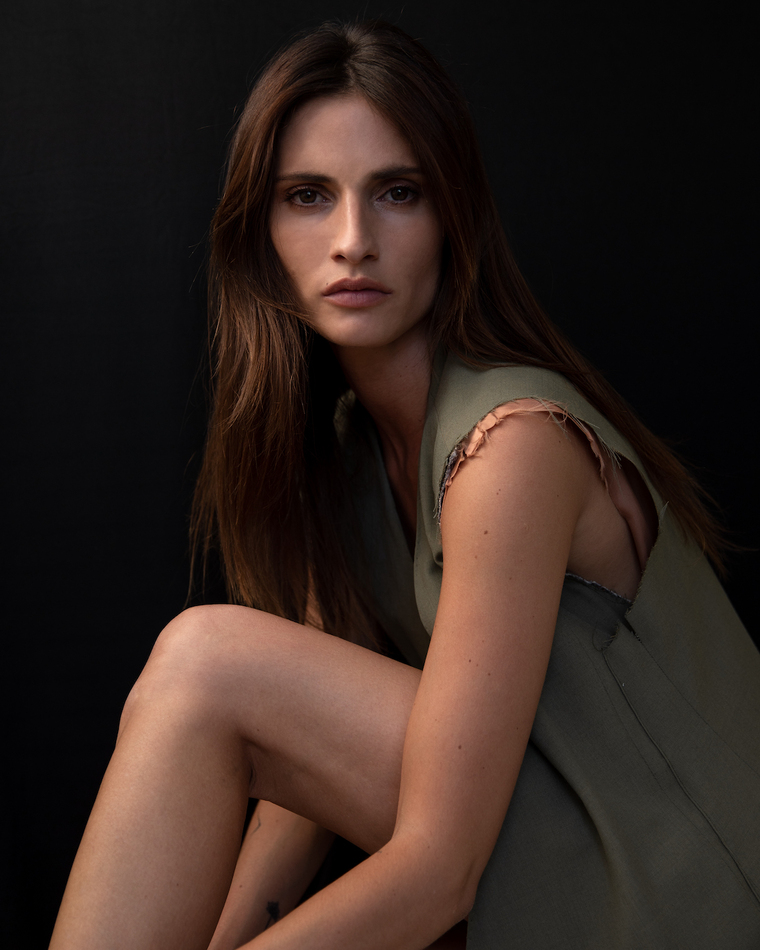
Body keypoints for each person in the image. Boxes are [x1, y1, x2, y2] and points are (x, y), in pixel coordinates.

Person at [49, 19, 760, 950]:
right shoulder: (348, 454)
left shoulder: (513, 449)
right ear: (261, 233)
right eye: (308, 196)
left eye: (398, 193)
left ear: (452, 216)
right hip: (547, 860)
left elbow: (438, 869)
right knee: (212, 680)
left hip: (684, 891)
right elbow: (290, 780)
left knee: (204, 662)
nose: (353, 240)